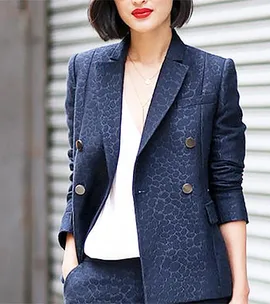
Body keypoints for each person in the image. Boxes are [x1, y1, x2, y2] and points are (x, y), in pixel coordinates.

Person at [58, 0, 250, 303]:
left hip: (189, 283)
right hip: (99, 283)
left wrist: (241, 287)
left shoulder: (212, 73)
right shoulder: (86, 70)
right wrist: (71, 264)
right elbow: (79, 174)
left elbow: (227, 186)